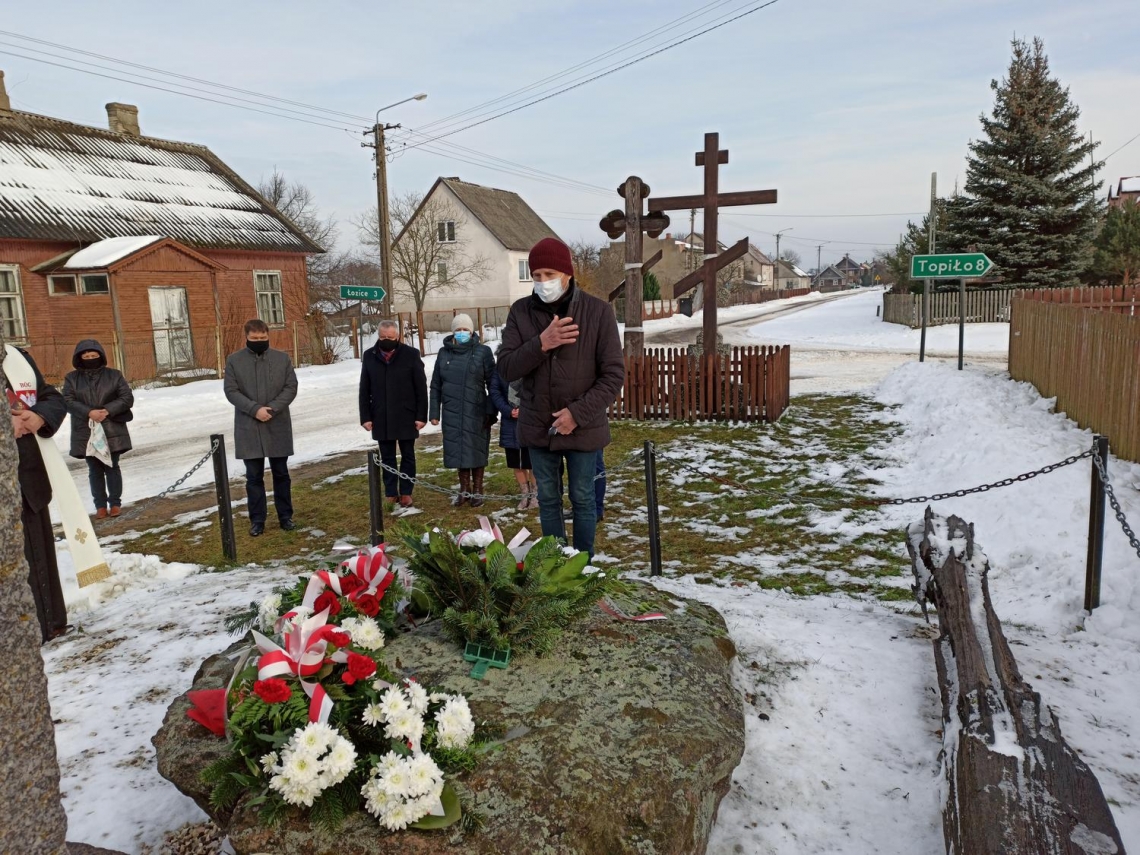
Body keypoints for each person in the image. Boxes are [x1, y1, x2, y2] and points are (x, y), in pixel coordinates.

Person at [497, 237, 625, 558]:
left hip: (583, 427)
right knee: (549, 500)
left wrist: (576, 414)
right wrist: (542, 343)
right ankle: (555, 565)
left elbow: (613, 375)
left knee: (583, 498)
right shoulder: (520, 312)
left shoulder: (597, 312)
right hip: (538, 426)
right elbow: (507, 367)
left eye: (549, 274)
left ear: (567, 274)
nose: (543, 282)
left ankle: (582, 566)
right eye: (536, 275)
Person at [5, 347, 69, 642]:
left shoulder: (14, 357)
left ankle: (49, 622)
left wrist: (39, 416)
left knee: (39, 554)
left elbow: (51, 397)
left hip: (30, 476)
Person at [224, 319, 298, 537]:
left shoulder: (282, 359)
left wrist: (272, 408)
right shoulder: (234, 361)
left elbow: (290, 387)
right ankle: (257, 520)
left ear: (268, 336)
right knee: (253, 477)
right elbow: (231, 390)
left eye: (262, 338)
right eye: (254, 339)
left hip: (277, 423)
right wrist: (255, 409)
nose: (259, 342)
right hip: (249, 424)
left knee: (281, 473)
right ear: (246, 337)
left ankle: (286, 516)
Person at [359, 320, 427, 517]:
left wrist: (421, 416)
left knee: (408, 455)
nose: (386, 340)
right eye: (382, 337)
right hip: (381, 415)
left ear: (397, 337)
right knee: (386, 456)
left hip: (406, 414)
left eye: (390, 337)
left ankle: (406, 492)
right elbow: (364, 389)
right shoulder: (369, 356)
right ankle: (390, 492)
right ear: (378, 336)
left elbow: (421, 389)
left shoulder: (411, 355)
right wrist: (366, 416)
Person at [429, 314, 497, 508]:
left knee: (476, 449)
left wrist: (491, 411)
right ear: (453, 332)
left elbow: (493, 383)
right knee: (458, 450)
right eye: (458, 330)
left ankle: (478, 489)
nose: (461, 333)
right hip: (451, 410)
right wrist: (434, 413)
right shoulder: (444, 353)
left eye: (465, 329)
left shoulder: (483, 352)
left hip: (477, 410)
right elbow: (436, 385)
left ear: (472, 331)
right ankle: (464, 489)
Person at [62, 339, 134, 518]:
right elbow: (68, 401)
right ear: (79, 358)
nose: (90, 358)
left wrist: (107, 410)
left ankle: (115, 503)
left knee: (112, 466)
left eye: (93, 355)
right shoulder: (72, 378)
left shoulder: (114, 375)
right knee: (94, 469)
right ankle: (100, 506)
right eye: (86, 356)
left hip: (111, 428)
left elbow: (126, 398)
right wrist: (89, 412)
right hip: (85, 429)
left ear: (100, 356)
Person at [490, 365, 537, 511]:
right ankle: (525, 495)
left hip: (532, 419)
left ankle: (536, 495)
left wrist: (527, 409)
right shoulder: (501, 367)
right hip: (510, 422)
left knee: (533, 461)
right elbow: (495, 391)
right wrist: (508, 410)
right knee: (516, 462)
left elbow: (540, 388)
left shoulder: (531, 362)